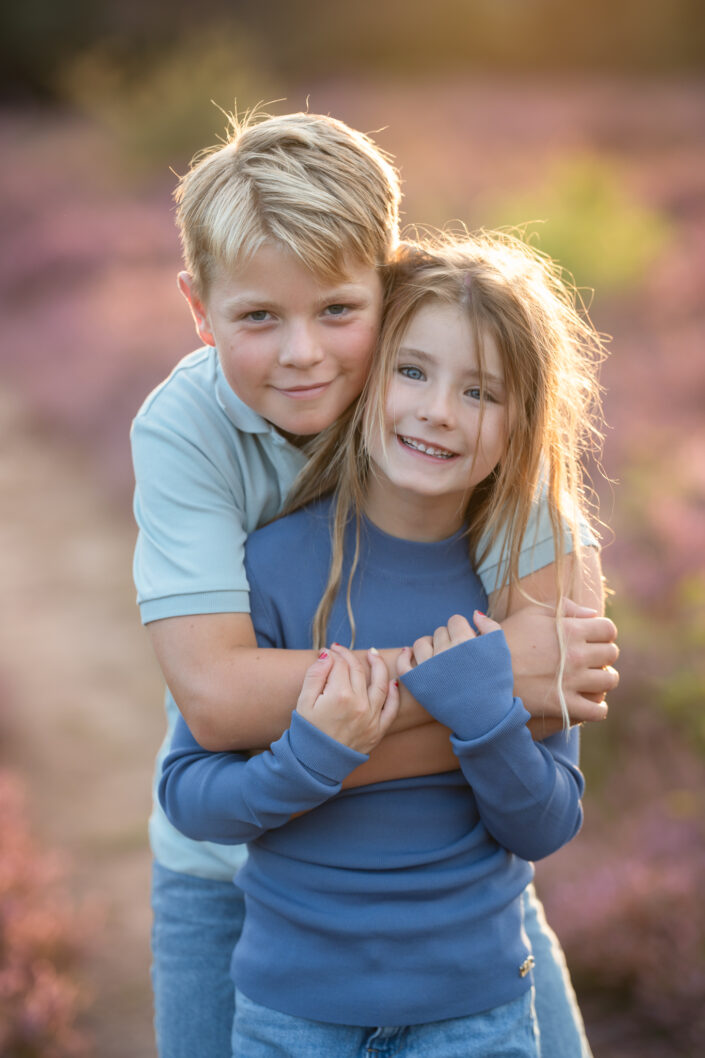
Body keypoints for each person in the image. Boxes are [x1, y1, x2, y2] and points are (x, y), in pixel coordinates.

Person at [131, 111, 618, 1057]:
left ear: (389, 280)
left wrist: (347, 729)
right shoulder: (183, 428)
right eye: (258, 317)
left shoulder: (462, 406)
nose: (303, 353)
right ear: (201, 309)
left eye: (337, 311)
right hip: (223, 860)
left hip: (443, 899)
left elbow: (559, 683)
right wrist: (475, 682)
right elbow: (222, 705)